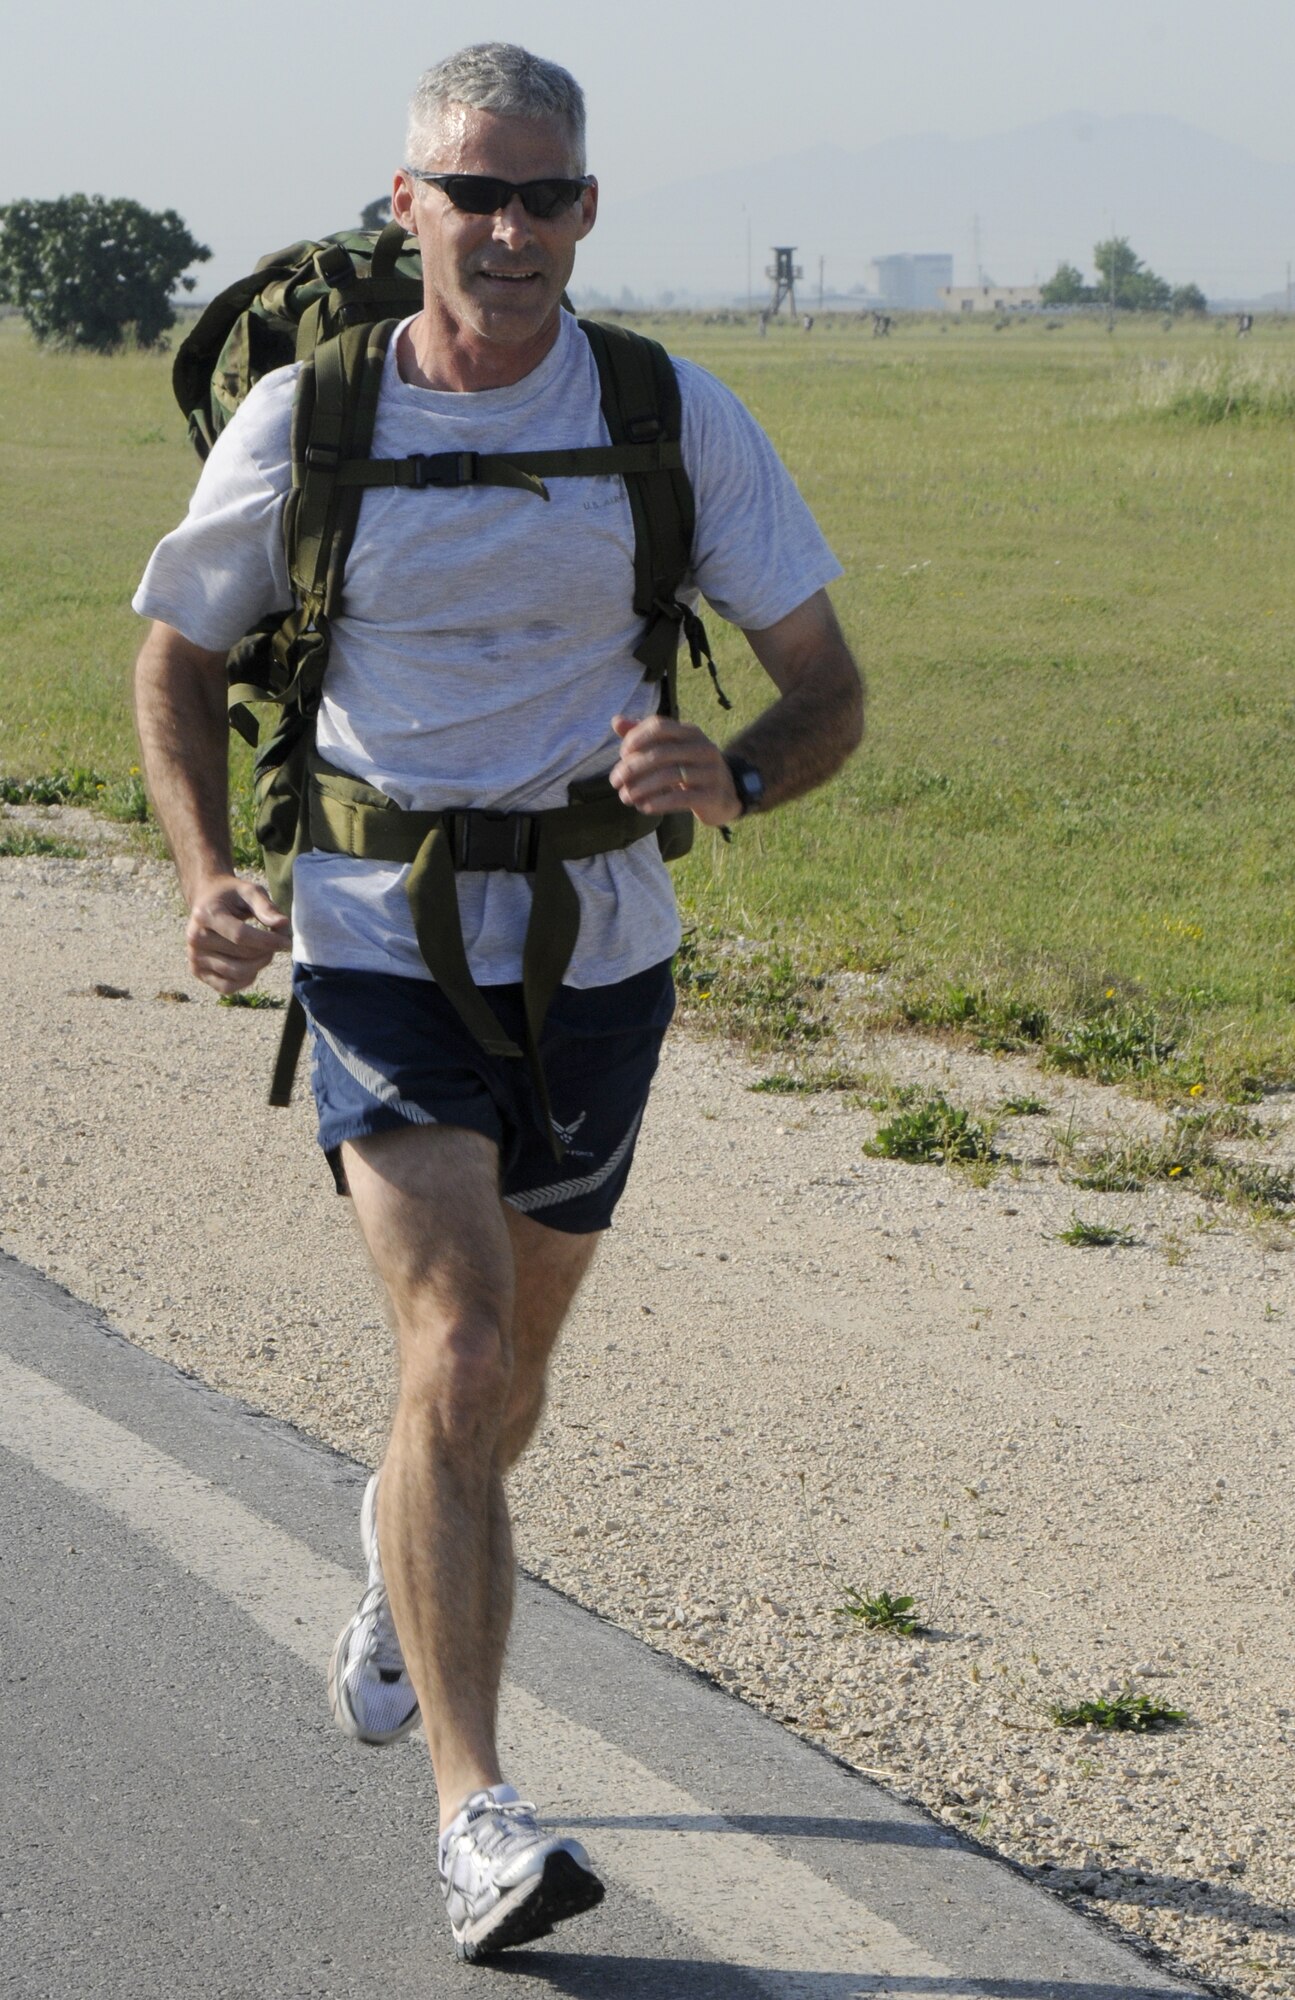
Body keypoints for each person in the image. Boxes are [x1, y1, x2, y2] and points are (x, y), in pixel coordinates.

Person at [133, 41, 862, 1964]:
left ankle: (402, 1554)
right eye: (477, 192)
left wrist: (746, 773)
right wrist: (211, 873)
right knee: (458, 1352)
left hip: (605, 951)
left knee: (505, 1374)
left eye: (546, 195)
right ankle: (479, 1815)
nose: (513, 228)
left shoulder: (667, 413)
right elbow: (174, 659)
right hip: (380, 934)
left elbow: (823, 678)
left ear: (588, 210)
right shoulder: (311, 419)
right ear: (410, 209)